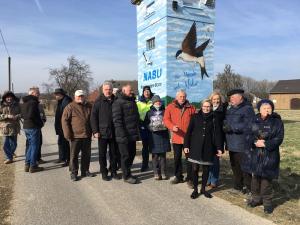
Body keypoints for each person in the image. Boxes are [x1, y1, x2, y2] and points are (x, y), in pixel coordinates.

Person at [246, 99, 284, 214]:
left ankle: (267, 203)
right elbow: (248, 135)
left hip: (270, 155)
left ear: (272, 109)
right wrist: (254, 142)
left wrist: (266, 144)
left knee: (266, 181)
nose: (266, 110)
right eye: (264, 108)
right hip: (256, 154)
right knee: (255, 179)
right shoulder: (254, 120)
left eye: (269, 108)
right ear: (259, 109)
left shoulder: (277, 122)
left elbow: (279, 138)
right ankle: (256, 199)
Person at [184, 99, 223, 199]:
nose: (206, 108)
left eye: (208, 106)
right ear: (201, 107)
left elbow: (218, 134)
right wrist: (186, 146)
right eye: (204, 106)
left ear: (211, 107)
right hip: (195, 146)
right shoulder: (195, 117)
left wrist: (219, 148)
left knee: (206, 169)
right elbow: (188, 132)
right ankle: (195, 190)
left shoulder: (215, 118)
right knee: (195, 168)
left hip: (209, 147)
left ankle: (203, 189)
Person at [223, 89, 255, 193]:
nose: (230, 99)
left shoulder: (247, 109)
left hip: (242, 144)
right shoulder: (230, 109)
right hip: (231, 143)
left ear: (240, 98)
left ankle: (250, 189)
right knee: (235, 166)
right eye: (230, 98)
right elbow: (226, 121)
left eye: (232, 97)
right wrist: (224, 125)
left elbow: (249, 125)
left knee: (245, 168)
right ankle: (238, 186)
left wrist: (232, 127)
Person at [163, 89, 196, 185]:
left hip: (188, 138)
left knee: (189, 159)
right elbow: (166, 119)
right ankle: (178, 176)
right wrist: (172, 127)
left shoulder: (191, 108)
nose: (182, 98)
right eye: (180, 96)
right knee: (177, 158)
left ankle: (190, 178)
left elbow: (195, 121)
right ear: (176, 97)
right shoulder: (170, 107)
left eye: (184, 96)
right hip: (176, 138)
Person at [90, 81, 120, 181]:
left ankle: (114, 171)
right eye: (106, 89)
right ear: (103, 90)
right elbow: (93, 117)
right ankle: (104, 172)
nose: (108, 91)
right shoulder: (98, 102)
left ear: (112, 90)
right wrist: (95, 131)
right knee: (102, 154)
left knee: (114, 153)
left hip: (115, 132)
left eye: (110, 89)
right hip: (102, 133)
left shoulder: (116, 100)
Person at [62, 90, 93, 181]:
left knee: (86, 155)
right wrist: (67, 134)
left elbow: (92, 119)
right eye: (78, 96)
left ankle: (85, 171)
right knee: (74, 155)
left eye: (82, 96)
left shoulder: (88, 106)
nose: (80, 98)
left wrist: (94, 131)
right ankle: (74, 172)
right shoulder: (70, 107)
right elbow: (64, 121)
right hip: (75, 136)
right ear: (75, 97)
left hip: (87, 135)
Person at [112, 84, 140, 184]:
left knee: (132, 154)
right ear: (123, 91)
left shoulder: (132, 101)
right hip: (123, 135)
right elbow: (117, 121)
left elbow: (136, 117)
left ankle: (128, 171)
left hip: (132, 134)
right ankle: (126, 176)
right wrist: (122, 135)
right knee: (125, 155)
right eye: (129, 90)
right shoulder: (117, 103)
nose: (131, 92)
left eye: (131, 90)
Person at [144, 95, 171, 180]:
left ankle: (163, 172)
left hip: (163, 135)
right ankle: (156, 172)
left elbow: (169, 121)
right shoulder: (149, 112)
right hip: (153, 136)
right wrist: (150, 127)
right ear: (153, 103)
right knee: (155, 155)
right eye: (156, 102)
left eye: (159, 101)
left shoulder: (165, 111)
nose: (158, 103)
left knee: (163, 155)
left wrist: (166, 126)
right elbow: (145, 123)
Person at [21, 87, 44, 173]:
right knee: (35, 146)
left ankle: (27, 165)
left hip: (26, 126)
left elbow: (23, 115)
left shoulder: (24, 102)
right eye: (38, 93)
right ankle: (33, 166)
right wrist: (40, 123)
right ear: (33, 93)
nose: (39, 95)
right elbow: (32, 116)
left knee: (30, 145)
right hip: (33, 127)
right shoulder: (33, 103)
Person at [207, 91, 226, 188]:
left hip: (218, 138)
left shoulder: (223, 110)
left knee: (215, 160)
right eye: (214, 99)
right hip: (208, 139)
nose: (216, 101)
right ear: (211, 100)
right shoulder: (208, 109)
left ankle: (214, 180)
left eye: (218, 99)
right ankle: (208, 178)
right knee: (207, 159)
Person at [0, 91, 21, 164]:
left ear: (12, 97)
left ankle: (11, 153)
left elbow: (21, 113)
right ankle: (9, 158)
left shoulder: (17, 104)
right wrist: (6, 116)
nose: (9, 98)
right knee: (6, 144)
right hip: (5, 127)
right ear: (5, 98)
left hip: (14, 127)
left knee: (14, 144)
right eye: (7, 97)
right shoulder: (1, 105)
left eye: (10, 97)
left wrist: (17, 116)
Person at [136, 86, 154, 172]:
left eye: (148, 91)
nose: (147, 93)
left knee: (154, 146)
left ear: (150, 92)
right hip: (143, 126)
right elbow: (136, 114)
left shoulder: (154, 101)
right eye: (145, 91)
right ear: (143, 93)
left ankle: (156, 165)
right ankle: (145, 164)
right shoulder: (139, 102)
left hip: (154, 126)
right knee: (145, 146)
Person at [54, 88, 72, 166]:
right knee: (60, 142)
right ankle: (62, 157)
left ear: (61, 94)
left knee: (66, 144)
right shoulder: (60, 101)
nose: (56, 96)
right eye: (55, 94)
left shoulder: (66, 101)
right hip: (60, 126)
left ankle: (68, 160)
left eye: (57, 94)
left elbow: (66, 116)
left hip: (64, 126)